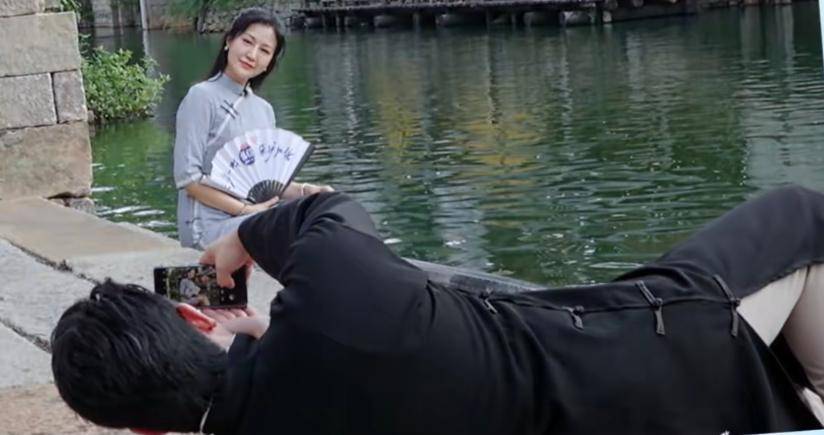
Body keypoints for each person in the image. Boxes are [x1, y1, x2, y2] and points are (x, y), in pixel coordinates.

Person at [51, 186, 824, 434]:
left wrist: (254, 342)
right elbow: (326, 212)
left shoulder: (296, 355)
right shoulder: (337, 310)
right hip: (650, 361)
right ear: (192, 319)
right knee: (799, 212)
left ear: (147, 430)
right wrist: (236, 241)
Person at [174, 7, 331, 250]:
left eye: (264, 51)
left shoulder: (264, 110)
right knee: (290, 228)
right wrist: (245, 210)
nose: (252, 54)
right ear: (229, 41)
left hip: (254, 218)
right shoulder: (201, 96)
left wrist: (307, 191)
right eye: (247, 42)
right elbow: (188, 179)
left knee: (325, 213)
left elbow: (266, 184)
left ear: (269, 63)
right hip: (206, 228)